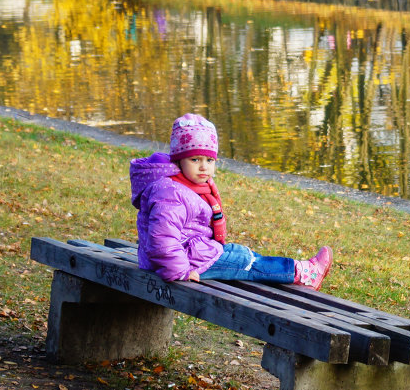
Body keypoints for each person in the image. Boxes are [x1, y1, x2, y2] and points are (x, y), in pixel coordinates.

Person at [130, 113, 333, 289]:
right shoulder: (170, 192)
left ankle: (299, 270)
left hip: (193, 252)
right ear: (178, 160)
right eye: (195, 160)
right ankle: (305, 273)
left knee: (241, 254)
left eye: (209, 160)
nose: (203, 167)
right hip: (185, 261)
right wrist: (179, 271)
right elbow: (162, 239)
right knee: (245, 262)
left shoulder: (185, 185)